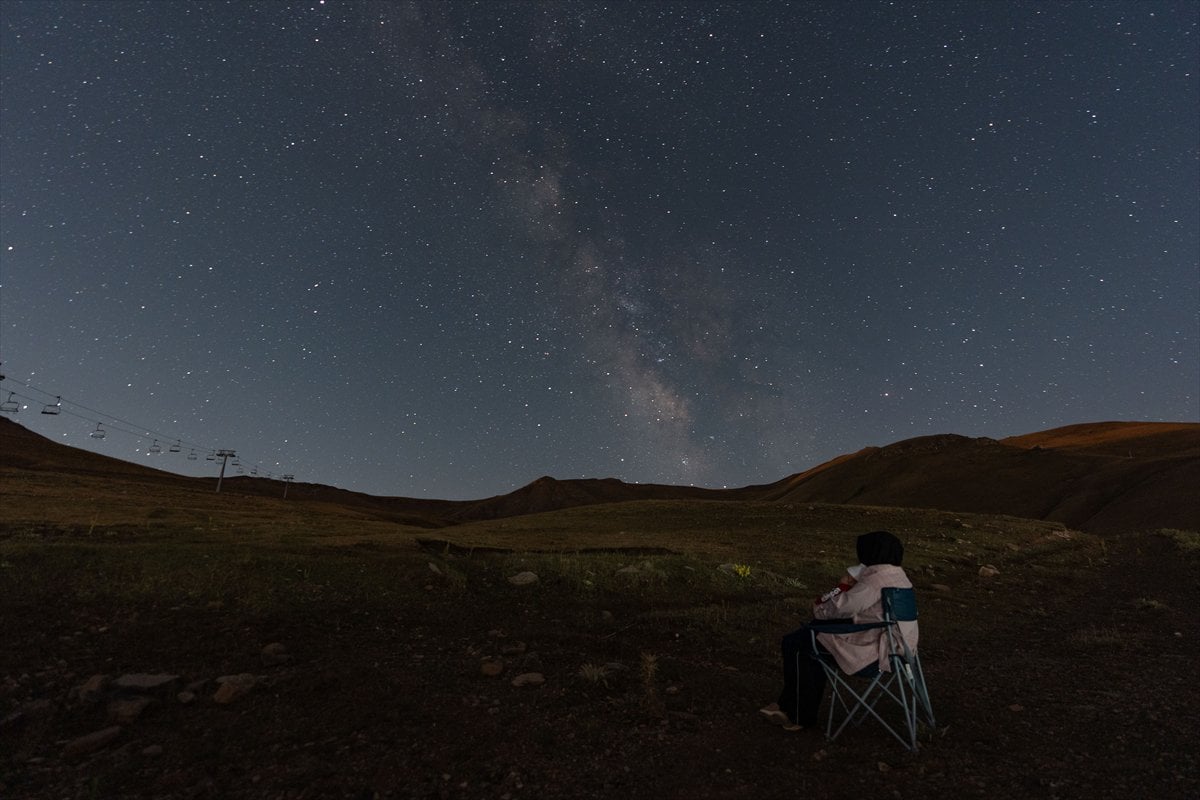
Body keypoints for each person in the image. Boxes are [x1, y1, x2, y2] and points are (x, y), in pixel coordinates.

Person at [759, 530, 917, 731]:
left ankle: (797, 714)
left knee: (797, 644)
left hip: (875, 655)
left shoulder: (875, 581)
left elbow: (834, 608)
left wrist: (841, 586)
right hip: (902, 653)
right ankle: (786, 707)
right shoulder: (900, 578)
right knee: (811, 638)